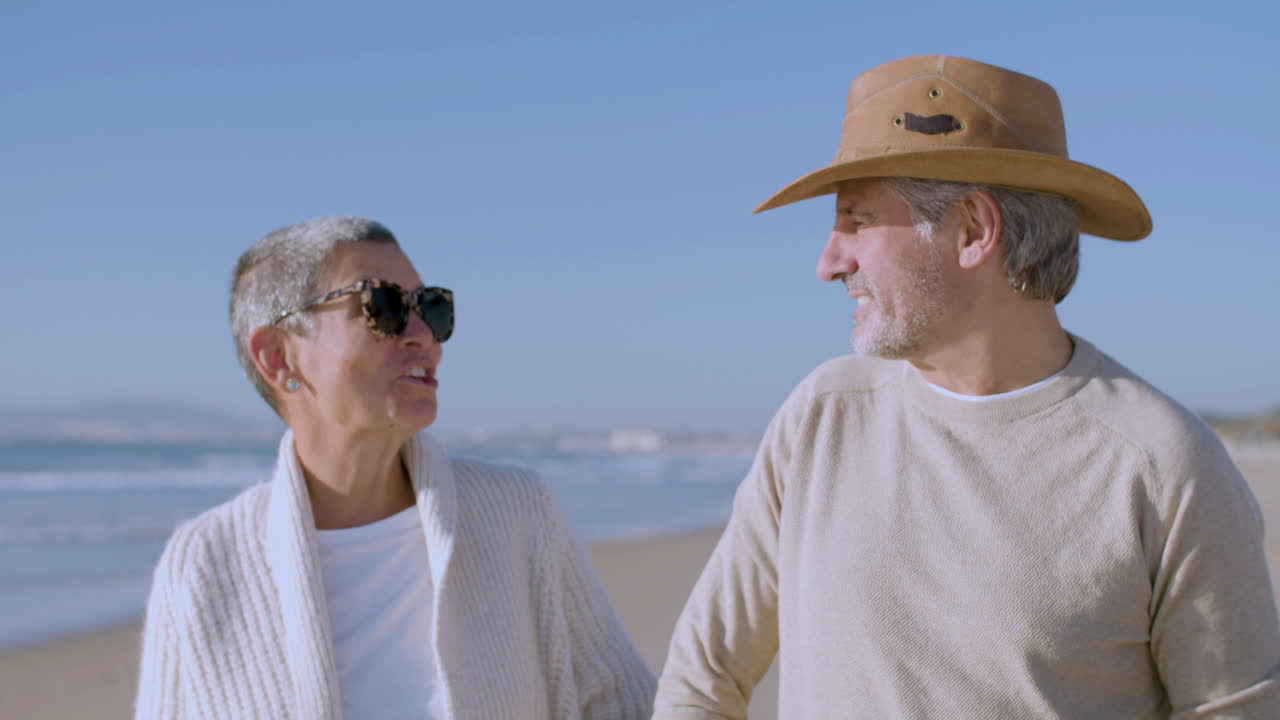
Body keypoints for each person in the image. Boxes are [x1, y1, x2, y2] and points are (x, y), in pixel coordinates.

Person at [653, 55, 1280, 718]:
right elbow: (703, 676)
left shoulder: (1162, 464)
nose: (827, 262)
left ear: (975, 230)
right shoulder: (823, 415)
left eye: (857, 221)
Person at [135, 217, 656, 719]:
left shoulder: (516, 511)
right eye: (381, 305)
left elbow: (623, 704)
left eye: (432, 307)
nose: (422, 335)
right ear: (277, 357)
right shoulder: (204, 564)